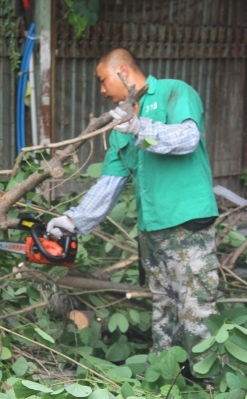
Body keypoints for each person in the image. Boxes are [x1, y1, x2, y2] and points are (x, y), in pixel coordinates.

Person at [47, 48, 220, 380]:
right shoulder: (119, 128)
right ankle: (164, 381)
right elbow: (110, 183)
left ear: (122, 72)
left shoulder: (173, 91)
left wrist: (141, 127)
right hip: (152, 232)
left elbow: (187, 139)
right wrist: (73, 221)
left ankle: (210, 385)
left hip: (187, 225)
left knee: (196, 312)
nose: (100, 90)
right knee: (164, 312)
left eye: (102, 80)